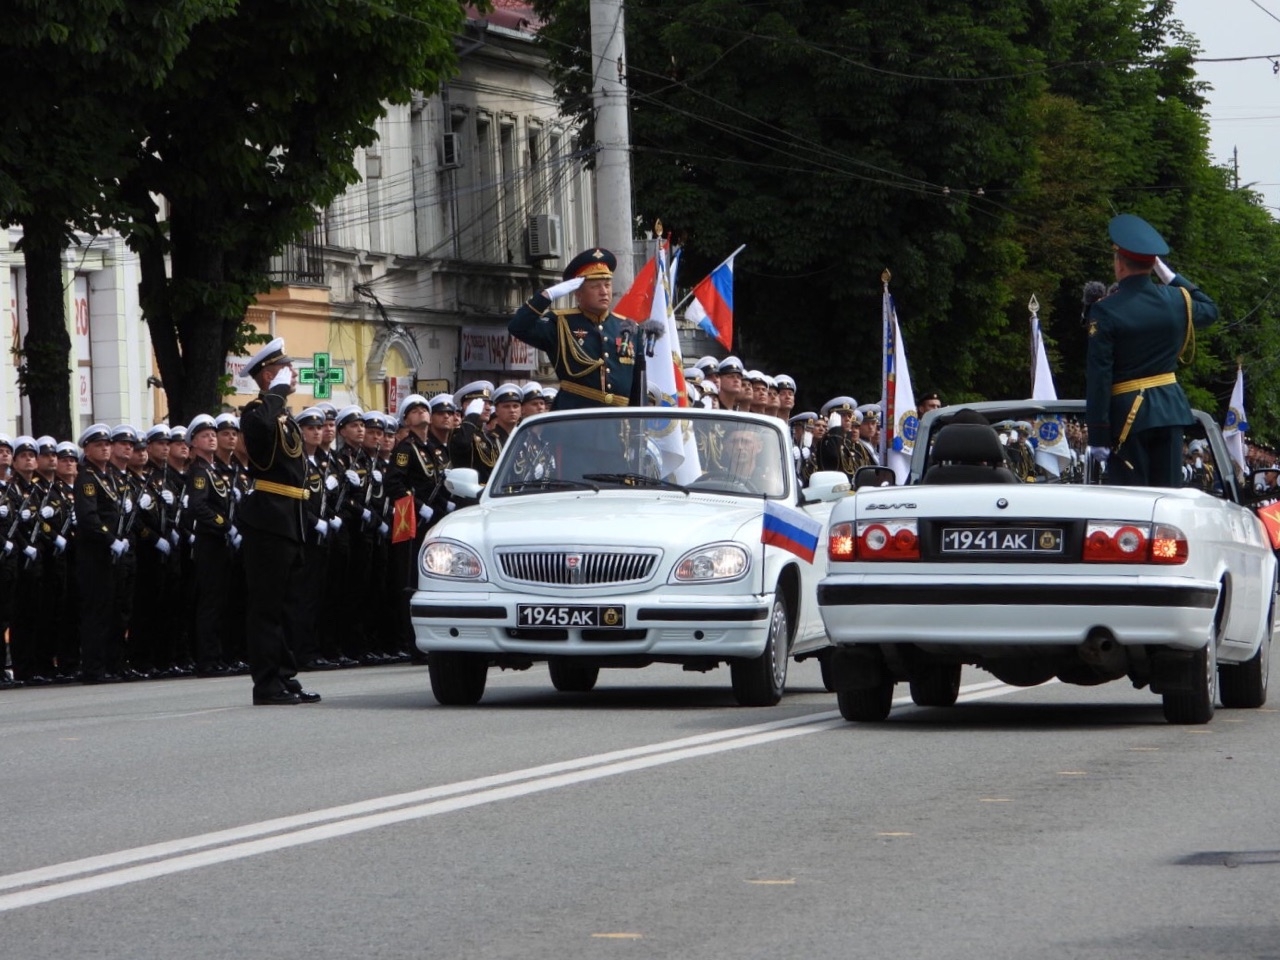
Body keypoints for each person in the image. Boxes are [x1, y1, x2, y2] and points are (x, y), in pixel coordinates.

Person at [1085, 214, 1219, 486]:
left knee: (1132, 504)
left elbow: (1099, 376)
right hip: (1170, 411)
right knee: (1166, 496)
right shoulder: (1176, 300)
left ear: (1119, 264)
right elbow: (1210, 309)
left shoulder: (1105, 310)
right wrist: (1169, 275)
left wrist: (1098, 434)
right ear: (1153, 264)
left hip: (1126, 419)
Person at [236, 337, 320, 705]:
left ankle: (284, 675)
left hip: (291, 520)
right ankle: (266, 683)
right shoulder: (257, 412)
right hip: (268, 521)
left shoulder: (283, 417)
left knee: (288, 605)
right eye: (286, 370)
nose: (294, 376)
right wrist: (278, 390)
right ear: (268, 374)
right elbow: (259, 431)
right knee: (266, 607)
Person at [508, 247, 638, 409]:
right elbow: (518, 327)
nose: (604, 292)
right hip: (575, 419)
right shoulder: (561, 323)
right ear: (578, 293)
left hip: (618, 424)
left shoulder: (628, 327)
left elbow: (637, 386)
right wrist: (546, 296)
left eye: (607, 285)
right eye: (595, 286)